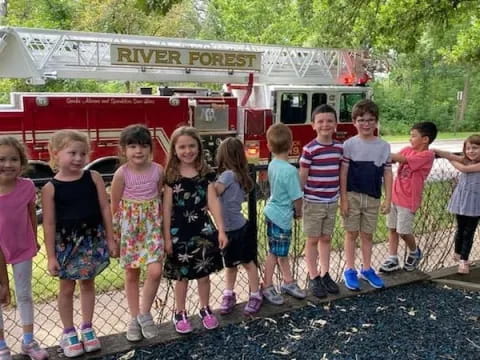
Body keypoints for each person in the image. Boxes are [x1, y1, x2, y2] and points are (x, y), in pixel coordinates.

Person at [42, 130, 116, 358]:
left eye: (82, 153)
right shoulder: (50, 188)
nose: (78, 158)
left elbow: (105, 207)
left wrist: (111, 238)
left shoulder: (93, 177)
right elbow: (49, 223)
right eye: (72, 153)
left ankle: (87, 327)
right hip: (66, 245)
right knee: (66, 288)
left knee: (87, 283)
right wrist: (52, 256)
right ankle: (68, 331)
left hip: (91, 240)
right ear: (55, 154)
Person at [163, 126, 226, 334]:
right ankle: (179, 312)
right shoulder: (170, 176)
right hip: (178, 232)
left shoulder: (205, 174)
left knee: (204, 273)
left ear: (198, 148)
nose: (187, 151)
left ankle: (205, 308)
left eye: (191, 146)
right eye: (182, 147)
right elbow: (167, 208)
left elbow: (213, 202)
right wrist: (166, 237)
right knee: (182, 277)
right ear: (174, 149)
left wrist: (221, 230)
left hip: (203, 230)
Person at [111, 125, 164, 342]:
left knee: (155, 270)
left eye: (143, 146)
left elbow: (159, 194)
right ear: (124, 150)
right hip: (129, 228)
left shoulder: (158, 170)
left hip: (152, 226)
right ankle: (134, 318)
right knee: (132, 273)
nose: (138, 151)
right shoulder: (121, 173)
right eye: (132, 146)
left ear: (150, 148)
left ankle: (144, 313)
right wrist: (115, 235)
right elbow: (114, 204)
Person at [0, 136, 48, 360]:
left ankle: (28, 341)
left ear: (21, 162)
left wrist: (33, 238)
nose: (7, 164)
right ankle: (1, 346)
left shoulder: (27, 186)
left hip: (22, 247)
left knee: (24, 294)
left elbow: (31, 213)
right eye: (1, 159)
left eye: (13, 159)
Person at [340, 100, 392, 291]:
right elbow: (343, 173)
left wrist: (388, 198)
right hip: (353, 195)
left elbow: (387, 172)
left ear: (376, 122)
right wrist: (343, 198)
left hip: (373, 196)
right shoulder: (349, 145)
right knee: (351, 233)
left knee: (367, 234)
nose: (366, 124)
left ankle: (367, 268)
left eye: (370, 120)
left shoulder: (383, 146)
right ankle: (350, 269)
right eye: (361, 120)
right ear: (354, 122)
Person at [380, 122, 437, 273]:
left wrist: (381, 151)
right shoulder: (407, 149)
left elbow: (403, 160)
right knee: (392, 228)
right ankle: (392, 257)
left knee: (403, 231)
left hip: (408, 200)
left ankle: (414, 252)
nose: (410, 139)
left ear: (425, 139)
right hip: (395, 196)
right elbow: (395, 159)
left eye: (413, 136)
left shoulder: (427, 155)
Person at [215, 137, 262, 316]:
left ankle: (254, 294)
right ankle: (232, 293)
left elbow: (216, 191)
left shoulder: (227, 175)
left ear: (223, 156)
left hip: (234, 229)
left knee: (239, 263)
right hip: (235, 227)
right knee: (240, 263)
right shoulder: (239, 175)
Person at [299, 105, 342, 298]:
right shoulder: (309, 150)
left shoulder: (340, 148)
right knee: (312, 239)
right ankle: (314, 276)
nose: (325, 125)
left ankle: (325, 273)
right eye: (321, 121)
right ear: (313, 125)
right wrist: (298, 202)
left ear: (335, 124)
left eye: (329, 121)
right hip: (313, 202)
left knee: (326, 238)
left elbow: (341, 173)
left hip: (331, 201)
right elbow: (303, 177)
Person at [262, 123, 306, 305]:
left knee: (281, 251)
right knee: (274, 252)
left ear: (269, 146)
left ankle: (288, 281)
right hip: (281, 217)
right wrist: (299, 212)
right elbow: (297, 197)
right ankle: (267, 285)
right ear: (291, 145)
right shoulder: (290, 171)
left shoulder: (273, 164)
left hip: (272, 212)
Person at [434, 134, 480, 274]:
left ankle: (463, 261)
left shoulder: (472, 164)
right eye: (468, 148)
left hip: (475, 202)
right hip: (461, 200)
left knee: (469, 231)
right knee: (460, 228)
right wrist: (437, 151)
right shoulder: (466, 160)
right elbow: (451, 155)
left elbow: (464, 169)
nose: (471, 151)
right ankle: (458, 255)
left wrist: (449, 159)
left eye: (475, 148)